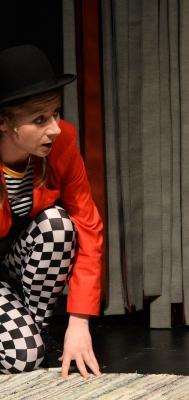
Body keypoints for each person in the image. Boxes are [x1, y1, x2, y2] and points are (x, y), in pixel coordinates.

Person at [0, 44, 103, 378]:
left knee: (58, 225)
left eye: (56, 113)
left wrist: (79, 321)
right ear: (4, 123)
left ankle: (39, 331)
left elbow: (88, 225)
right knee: (21, 358)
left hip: (14, 262)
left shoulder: (62, 143)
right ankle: (28, 341)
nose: (56, 128)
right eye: (40, 119)